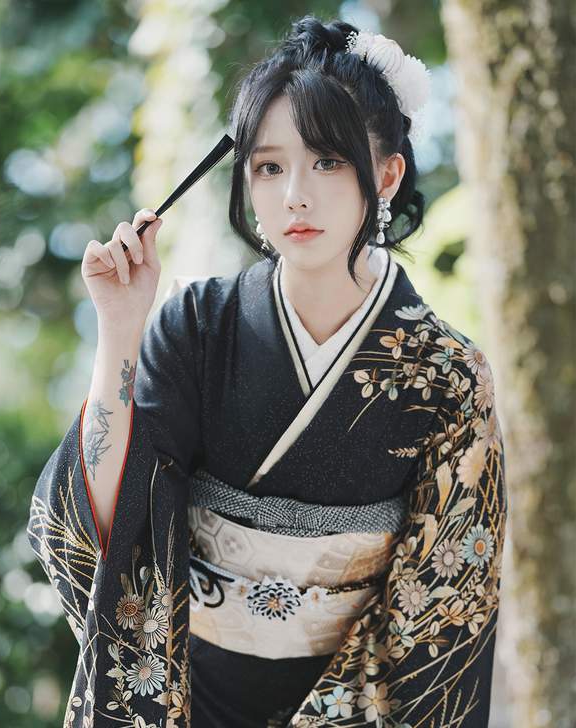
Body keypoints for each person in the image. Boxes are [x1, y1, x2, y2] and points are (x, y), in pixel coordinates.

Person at [29, 16, 505, 727]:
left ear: (386, 173)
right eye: (268, 166)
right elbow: (100, 528)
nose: (294, 196)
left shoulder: (446, 375)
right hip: (190, 700)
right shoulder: (197, 326)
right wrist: (120, 329)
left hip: (353, 710)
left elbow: (446, 613)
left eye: (328, 162)